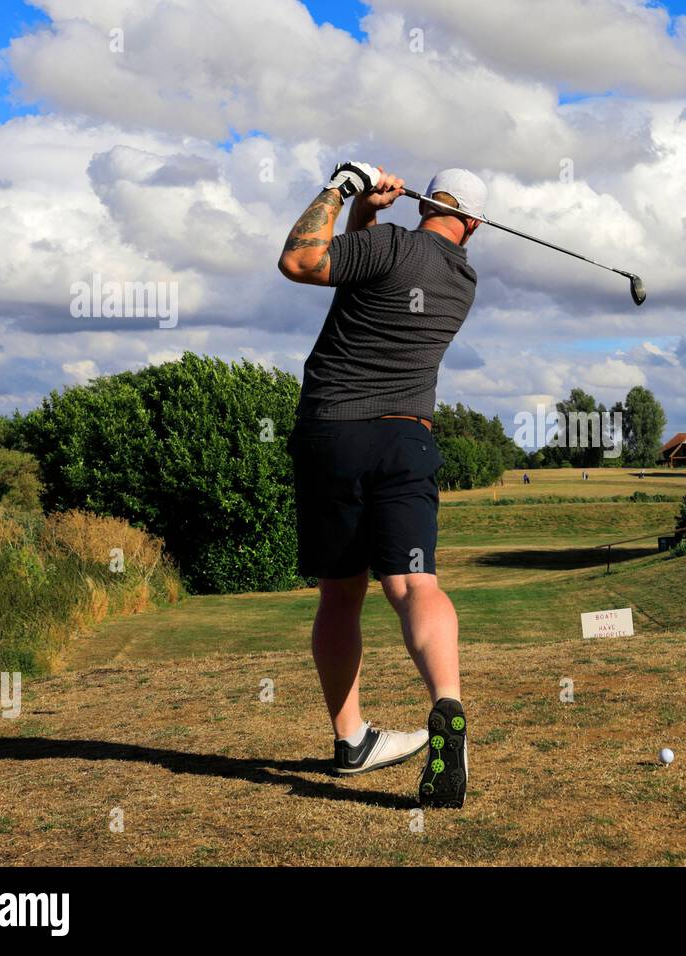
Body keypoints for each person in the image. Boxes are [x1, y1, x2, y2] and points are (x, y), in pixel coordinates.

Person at [277, 161, 484, 808]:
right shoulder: (462, 278)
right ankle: (446, 702)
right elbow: (364, 276)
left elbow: (301, 261)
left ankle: (351, 740)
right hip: (406, 438)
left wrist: (344, 188)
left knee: (341, 596)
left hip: (333, 434)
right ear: (472, 224)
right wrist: (371, 217)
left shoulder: (391, 245)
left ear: (425, 201)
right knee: (414, 583)